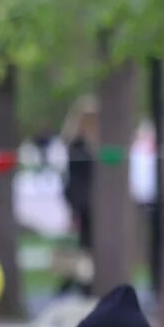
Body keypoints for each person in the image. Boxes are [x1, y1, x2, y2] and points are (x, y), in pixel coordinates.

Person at [63, 97, 98, 260]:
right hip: (85, 201)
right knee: (86, 245)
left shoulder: (93, 145)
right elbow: (76, 178)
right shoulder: (77, 146)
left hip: (91, 199)